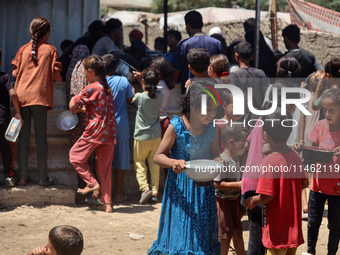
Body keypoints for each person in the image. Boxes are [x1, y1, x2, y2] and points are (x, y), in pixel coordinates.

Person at [148, 84, 221, 254]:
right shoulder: (176, 127)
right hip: (180, 188)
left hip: (204, 188)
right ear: (193, 108)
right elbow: (158, 156)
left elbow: (216, 154)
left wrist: (218, 161)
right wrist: (173, 162)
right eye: (207, 109)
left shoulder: (213, 129)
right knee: (181, 232)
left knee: (201, 234)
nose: (211, 114)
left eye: (214, 110)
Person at [245, 109, 308, 255]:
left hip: (277, 227)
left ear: (265, 134)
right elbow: (304, 183)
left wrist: (252, 200)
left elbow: (267, 196)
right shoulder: (295, 156)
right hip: (293, 225)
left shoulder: (268, 161)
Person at [11, 17, 62, 186]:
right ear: (46, 33)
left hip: (22, 98)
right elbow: (57, 76)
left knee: (23, 138)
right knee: (41, 138)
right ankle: (42, 178)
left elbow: (14, 74)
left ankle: (23, 178)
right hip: (39, 98)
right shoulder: (51, 50)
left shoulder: (23, 50)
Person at [295, 88, 340, 255]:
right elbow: (311, 151)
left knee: (335, 225)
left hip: (337, 189)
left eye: (332, 110)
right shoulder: (319, 126)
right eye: (325, 109)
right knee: (313, 222)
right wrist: (302, 148)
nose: (327, 113)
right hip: (317, 186)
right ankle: (310, 251)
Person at [69, 55, 117, 213]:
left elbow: (72, 106)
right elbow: (99, 109)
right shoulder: (106, 86)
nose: (84, 75)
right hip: (109, 132)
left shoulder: (91, 88)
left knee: (75, 156)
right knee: (105, 169)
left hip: (95, 132)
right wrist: (85, 109)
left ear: (90, 71)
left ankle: (91, 183)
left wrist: (75, 96)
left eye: (84, 72)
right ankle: (107, 204)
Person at [102, 54, 134, 203]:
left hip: (103, 128)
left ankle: (104, 195)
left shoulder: (97, 83)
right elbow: (131, 100)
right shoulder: (123, 81)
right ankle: (119, 193)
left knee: (104, 163)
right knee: (120, 163)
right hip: (121, 127)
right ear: (116, 67)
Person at [214, 125, 249, 255]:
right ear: (231, 142)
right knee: (224, 236)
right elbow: (216, 184)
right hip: (222, 204)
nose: (246, 145)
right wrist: (238, 185)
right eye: (243, 142)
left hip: (234, 202)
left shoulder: (238, 158)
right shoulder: (223, 161)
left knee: (238, 232)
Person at [172, 10, 223, 94]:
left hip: (191, 93)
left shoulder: (183, 45)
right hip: (213, 92)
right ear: (202, 24)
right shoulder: (217, 43)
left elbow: (176, 72)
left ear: (188, 26)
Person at [132, 68, 162, 204]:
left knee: (140, 164)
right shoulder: (160, 96)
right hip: (155, 135)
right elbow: (150, 92)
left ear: (143, 81)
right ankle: (155, 192)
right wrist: (142, 79)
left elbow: (134, 99)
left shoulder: (139, 97)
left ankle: (145, 189)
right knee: (154, 164)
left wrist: (137, 82)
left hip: (141, 136)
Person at [0, 48, 23, 187]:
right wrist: (18, 112)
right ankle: (9, 176)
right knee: (7, 149)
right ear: (1, 61)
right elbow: (13, 94)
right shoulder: (4, 77)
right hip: (3, 119)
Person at [229, 42, 269, 112]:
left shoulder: (234, 76)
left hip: (241, 118)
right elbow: (266, 96)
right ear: (252, 57)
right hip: (259, 117)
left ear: (236, 56)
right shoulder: (260, 73)